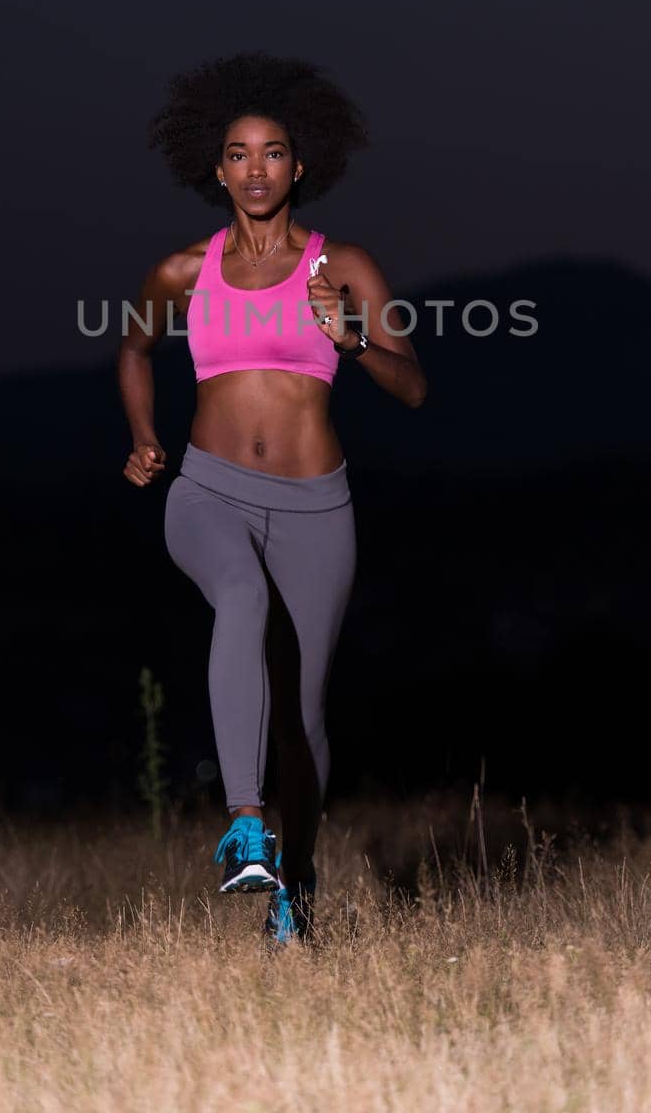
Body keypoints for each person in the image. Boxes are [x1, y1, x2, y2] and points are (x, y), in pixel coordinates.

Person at [118, 51, 426, 947]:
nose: (256, 170)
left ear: (301, 166)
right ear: (215, 170)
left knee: (304, 717)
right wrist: (143, 435)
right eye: (239, 155)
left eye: (274, 153)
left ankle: (298, 883)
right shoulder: (183, 271)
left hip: (315, 507)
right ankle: (245, 824)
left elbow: (413, 388)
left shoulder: (346, 265)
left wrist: (355, 337)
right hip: (207, 489)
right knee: (241, 599)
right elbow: (136, 348)